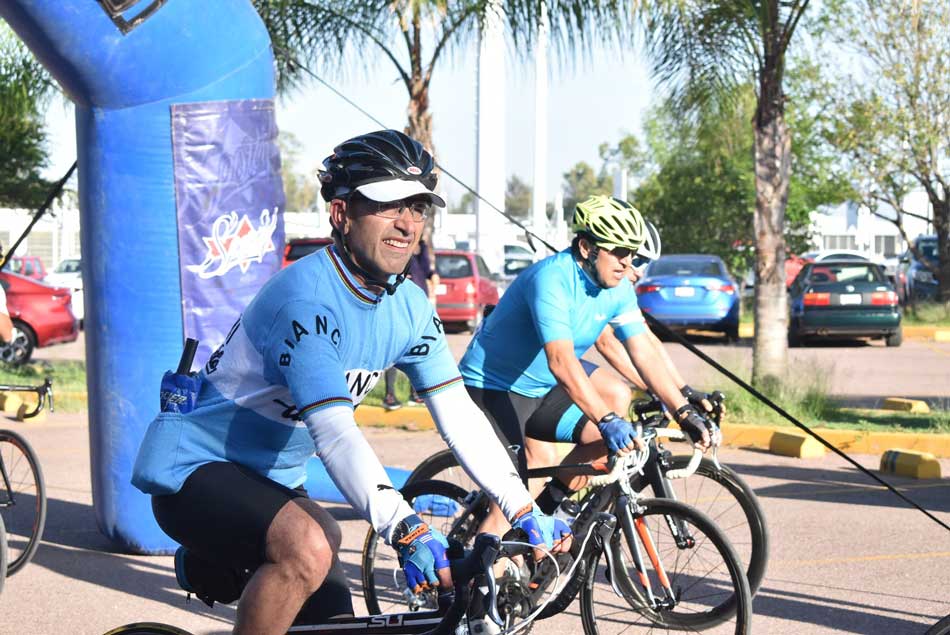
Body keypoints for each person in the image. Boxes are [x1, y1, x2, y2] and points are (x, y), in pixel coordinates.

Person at [131, 129, 570, 635]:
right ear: (341, 214)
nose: (407, 225)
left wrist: (522, 507)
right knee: (308, 547)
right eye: (389, 206)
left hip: (271, 481)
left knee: (337, 619)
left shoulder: (407, 306)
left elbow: (461, 419)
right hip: (197, 470)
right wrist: (406, 530)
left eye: (418, 208)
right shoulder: (305, 302)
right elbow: (336, 433)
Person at [457, 195, 720, 533]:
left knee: (601, 441)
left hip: (539, 389)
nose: (629, 264)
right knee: (514, 501)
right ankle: (477, 578)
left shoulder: (617, 287)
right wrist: (607, 418)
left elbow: (644, 351)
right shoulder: (551, 279)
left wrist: (683, 410)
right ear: (586, 247)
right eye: (620, 252)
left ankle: (547, 512)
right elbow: (562, 361)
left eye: (633, 253)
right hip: (492, 387)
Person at [382, 235, 439, 409]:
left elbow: (427, 269)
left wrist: (433, 273)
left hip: (417, 309)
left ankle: (415, 393)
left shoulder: (416, 257)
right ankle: (390, 395)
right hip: (396, 308)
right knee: (395, 353)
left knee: (415, 351)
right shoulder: (393, 256)